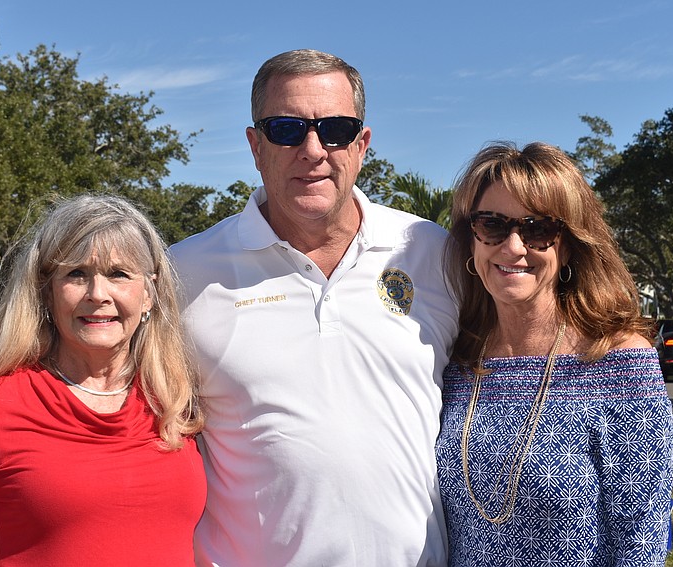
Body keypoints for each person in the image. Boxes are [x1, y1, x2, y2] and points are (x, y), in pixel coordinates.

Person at [169, 49, 459, 566]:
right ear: (255, 147)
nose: (312, 149)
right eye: (286, 129)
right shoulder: (183, 274)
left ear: (362, 144)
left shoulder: (432, 252)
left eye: (335, 129)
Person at [0, 194, 206, 567]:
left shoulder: (176, 400)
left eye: (119, 274)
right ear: (47, 291)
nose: (98, 295)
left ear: (149, 293)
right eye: (76, 274)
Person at [435, 141, 673, 566]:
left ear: (568, 245)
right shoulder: (457, 362)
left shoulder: (619, 365)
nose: (512, 247)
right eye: (492, 225)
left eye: (538, 229)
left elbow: (642, 541)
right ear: (471, 239)